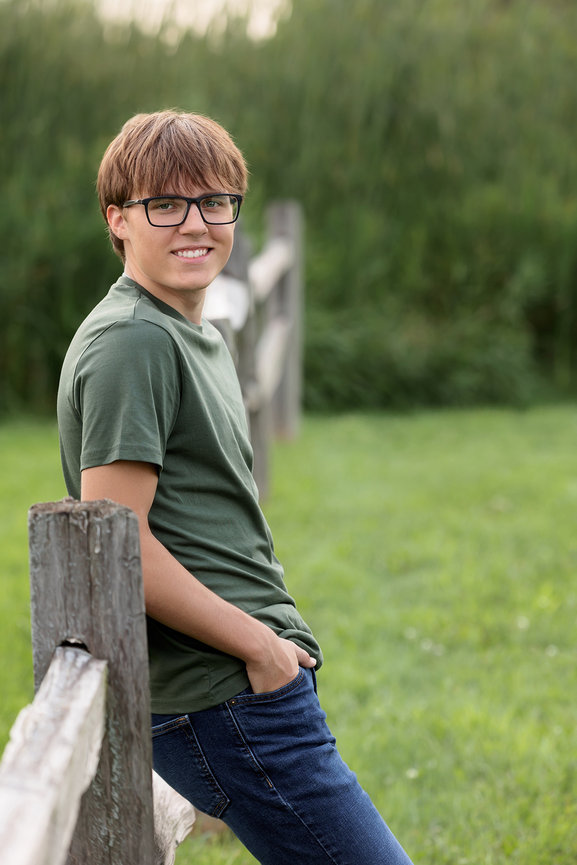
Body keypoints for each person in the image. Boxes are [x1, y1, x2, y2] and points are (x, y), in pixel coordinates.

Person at [57, 109, 414, 865]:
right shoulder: (132, 341)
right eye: (165, 205)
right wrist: (260, 646)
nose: (196, 223)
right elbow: (119, 543)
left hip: (244, 689)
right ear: (117, 219)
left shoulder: (190, 328)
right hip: (219, 697)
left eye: (214, 201)